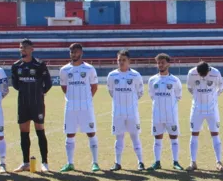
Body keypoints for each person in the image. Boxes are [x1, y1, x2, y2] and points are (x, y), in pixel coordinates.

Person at [11, 39, 53, 172]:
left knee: (40, 129)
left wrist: (40, 93)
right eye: (21, 47)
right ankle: (25, 162)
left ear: (31, 49)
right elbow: (16, 84)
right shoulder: (16, 66)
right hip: (23, 102)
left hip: (37, 103)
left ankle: (45, 163)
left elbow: (48, 83)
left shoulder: (39, 65)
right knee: (24, 131)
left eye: (25, 47)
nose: (22, 50)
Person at [59, 43, 100, 172]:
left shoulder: (89, 69)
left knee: (91, 132)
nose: (73, 54)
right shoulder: (64, 70)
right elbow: (64, 87)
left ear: (81, 53)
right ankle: (70, 163)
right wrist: (73, 98)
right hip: (70, 106)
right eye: (71, 52)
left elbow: (94, 87)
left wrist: (86, 99)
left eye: (76, 52)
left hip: (86, 107)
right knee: (70, 133)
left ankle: (95, 162)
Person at [107, 50, 145, 171]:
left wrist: (130, 102)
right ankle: (117, 163)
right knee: (119, 138)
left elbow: (140, 92)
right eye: (119, 60)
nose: (121, 62)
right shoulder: (112, 76)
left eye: (124, 60)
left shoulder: (136, 75)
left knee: (135, 137)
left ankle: (141, 162)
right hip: (118, 113)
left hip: (132, 112)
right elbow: (111, 92)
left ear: (129, 61)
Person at [185, 61, 223, 171]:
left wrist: (214, 97)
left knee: (215, 133)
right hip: (197, 109)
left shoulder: (216, 73)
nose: (202, 77)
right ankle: (193, 162)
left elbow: (221, 87)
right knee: (194, 133)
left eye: (204, 74)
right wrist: (198, 98)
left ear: (208, 70)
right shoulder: (191, 73)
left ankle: (219, 162)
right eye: (200, 75)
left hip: (212, 109)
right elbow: (189, 88)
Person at [146, 53, 184, 171]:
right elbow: (152, 95)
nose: (160, 65)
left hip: (171, 114)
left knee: (174, 138)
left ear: (168, 64)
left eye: (162, 62)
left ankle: (176, 162)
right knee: (157, 138)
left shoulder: (174, 80)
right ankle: (157, 162)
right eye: (158, 63)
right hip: (157, 114)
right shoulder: (152, 80)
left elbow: (178, 96)